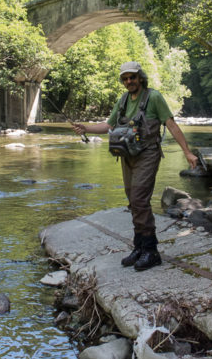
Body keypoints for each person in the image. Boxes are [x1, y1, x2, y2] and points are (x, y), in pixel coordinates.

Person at [72, 61, 199, 271]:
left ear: (140, 77)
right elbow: (109, 125)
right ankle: (139, 246)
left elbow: (171, 125)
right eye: (125, 78)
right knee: (133, 200)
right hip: (127, 156)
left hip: (148, 154)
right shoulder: (122, 100)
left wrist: (187, 152)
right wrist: (85, 127)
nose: (129, 81)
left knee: (140, 199)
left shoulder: (154, 98)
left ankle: (151, 251)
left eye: (132, 77)